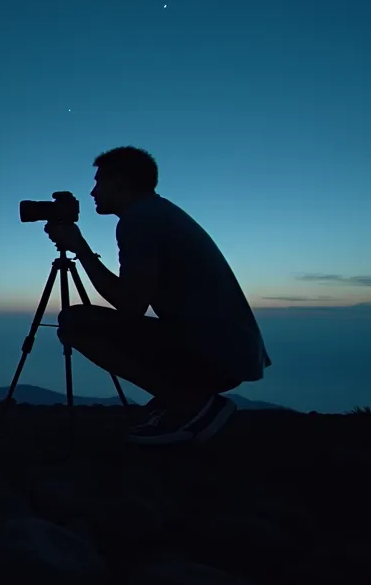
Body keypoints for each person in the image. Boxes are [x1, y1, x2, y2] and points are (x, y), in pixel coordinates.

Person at [44, 146, 271, 446]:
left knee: (76, 322)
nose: (92, 191)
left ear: (121, 182)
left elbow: (130, 307)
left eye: (99, 182)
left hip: (219, 355)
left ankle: (193, 408)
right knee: (83, 321)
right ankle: (183, 403)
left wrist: (81, 249)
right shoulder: (156, 212)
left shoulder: (139, 220)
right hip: (231, 350)